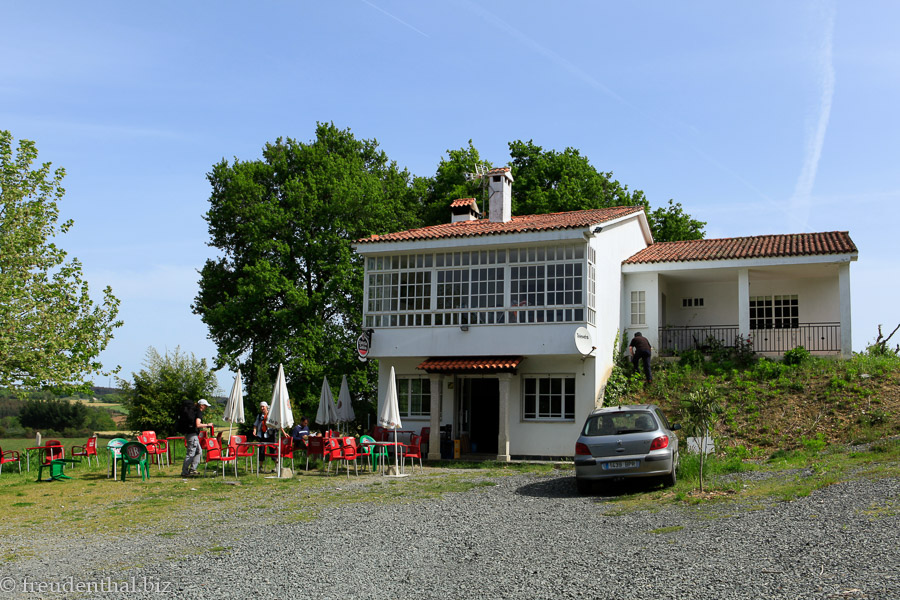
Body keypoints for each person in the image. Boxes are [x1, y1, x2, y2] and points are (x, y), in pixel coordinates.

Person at [181, 398, 213, 477]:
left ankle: (192, 469)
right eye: (206, 406)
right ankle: (184, 472)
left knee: (199, 451)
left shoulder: (194, 411)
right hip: (192, 435)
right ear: (202, 406)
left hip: (190, 434)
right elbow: (198, 424)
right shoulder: (198, 412)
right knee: (191, 453)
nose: (206, 408)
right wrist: (207, 425)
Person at [253, 401, 275, 471]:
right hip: (262, 434)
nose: (262, 408)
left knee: (273, 450)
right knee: (261, 450)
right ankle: (260, 467)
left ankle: (276, 466)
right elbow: (255, 424)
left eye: (263, 407)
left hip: (271, 434)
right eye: (261, 407)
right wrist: (254, 430)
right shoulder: (259, 416)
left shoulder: (271, 415)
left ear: (266, 407)